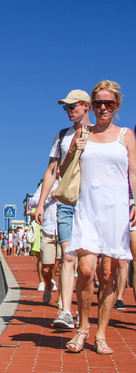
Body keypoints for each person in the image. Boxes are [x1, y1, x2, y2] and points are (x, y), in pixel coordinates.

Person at [63, 80, 136, 355]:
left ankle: (101, 334)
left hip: (116, 210)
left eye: (109, 103)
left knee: (109, 274)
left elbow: (133, 173)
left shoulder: (126, 135)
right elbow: (65, 169)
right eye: (98, 103)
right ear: (91, 106)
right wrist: (75, 149)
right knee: (85, 270)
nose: (103, 108)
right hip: (88, 209)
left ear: (116, 105)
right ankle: (82, 329)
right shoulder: (82, 132)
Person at [35, 89, 91, 330]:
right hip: (66, 203)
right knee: (68, 256)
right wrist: (40, 203)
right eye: (66, 107)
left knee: (89, 266)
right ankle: (65, 311)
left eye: (73, 106)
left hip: (92, 204)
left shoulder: (99, 133)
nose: (69, 111)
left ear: (86, 106)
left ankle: (82, 310)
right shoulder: (61, 136)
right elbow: (51, 171)